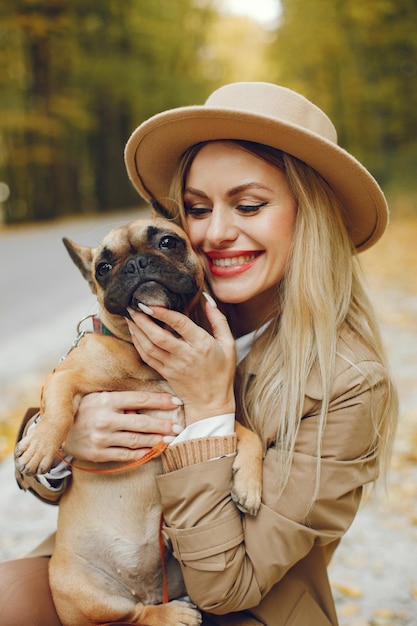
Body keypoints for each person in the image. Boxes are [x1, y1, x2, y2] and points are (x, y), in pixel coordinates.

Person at [0, 82, 398, 625]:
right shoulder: (161, 310)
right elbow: (48, 463)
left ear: (312, 216)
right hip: (113, 570)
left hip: (239, 603)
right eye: (196, 209)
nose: (217, 232)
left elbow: (227, 587)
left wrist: (211, 412)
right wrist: (70, 439)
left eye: (250, 205)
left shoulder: (350, 381)